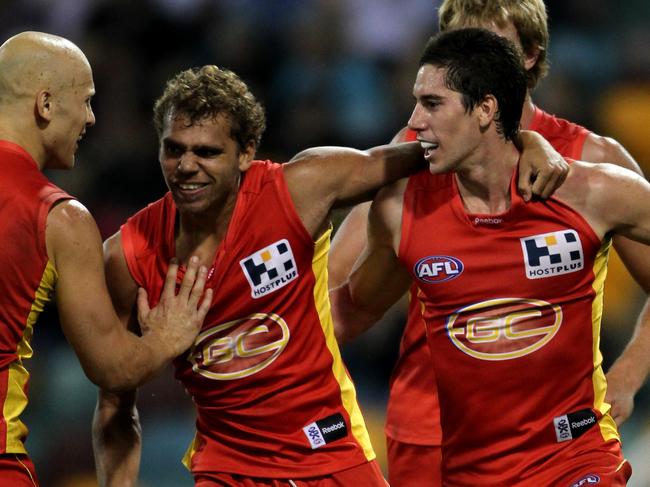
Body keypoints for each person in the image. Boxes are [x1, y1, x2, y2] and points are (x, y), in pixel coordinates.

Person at [91, 64, 563, 486]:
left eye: (207, 152)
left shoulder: (300, 188)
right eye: (174, 150)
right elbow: (114, 404)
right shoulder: (128, 258)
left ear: (245, 152)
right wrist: (156, 347)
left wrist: (527, 139)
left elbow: (427, 151)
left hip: (330, 450)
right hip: (228, 469)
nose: (186, 166)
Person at [328, 1, 650, 485]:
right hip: (431, 429)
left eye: (485, 45)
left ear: (526, 55)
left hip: (562, 438)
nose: (467, 57)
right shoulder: (414, 162)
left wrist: (626, 378)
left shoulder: (593, 169)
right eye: (455, 44)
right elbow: (344, 294)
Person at [0, 32, 212, 486]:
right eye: (87, 101)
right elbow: (111, 367)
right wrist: (166, 337)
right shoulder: (59, 217)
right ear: (46, 104)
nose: (91, 118)